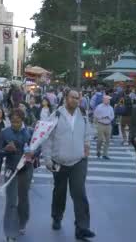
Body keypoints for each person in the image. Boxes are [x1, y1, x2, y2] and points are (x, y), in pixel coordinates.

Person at [42, 90, 95, 241]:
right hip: (59, 162)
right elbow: (48, 139)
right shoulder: (56, 116)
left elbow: (86, 135)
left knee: (79, 194)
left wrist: (86, 149)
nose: (75, 100)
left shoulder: (83, 117)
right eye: (72, 97)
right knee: (60, 192)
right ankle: (57, 217)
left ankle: (82, 227)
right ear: (66, 98)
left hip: (78, 161)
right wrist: (47, 158)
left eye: (77, 98)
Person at [0, 109, 35, 242]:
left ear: (22, 120)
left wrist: (33, 154)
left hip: (26, 169)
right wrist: (5, 150)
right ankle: (10, 232)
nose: (15, 124)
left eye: (18, 122)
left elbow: (38, 147)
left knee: (23, 198)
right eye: (12, 122)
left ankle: (22, 222)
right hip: (10, 169)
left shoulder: (30, 132)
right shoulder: (4, 133)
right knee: (11, 201)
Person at [94, 95, 115, 159]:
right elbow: (95, 114)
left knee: (107, 140)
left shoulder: (110, 107)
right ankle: (98, 151)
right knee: (100, 139)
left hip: (108, 124)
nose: (109, 101)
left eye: (109, 100)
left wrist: (110, 118)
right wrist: (102, 117)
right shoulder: (99, 107)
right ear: (104, 100)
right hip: (101, 124)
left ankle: (105, 154)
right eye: (108, 99)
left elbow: (113, 115)